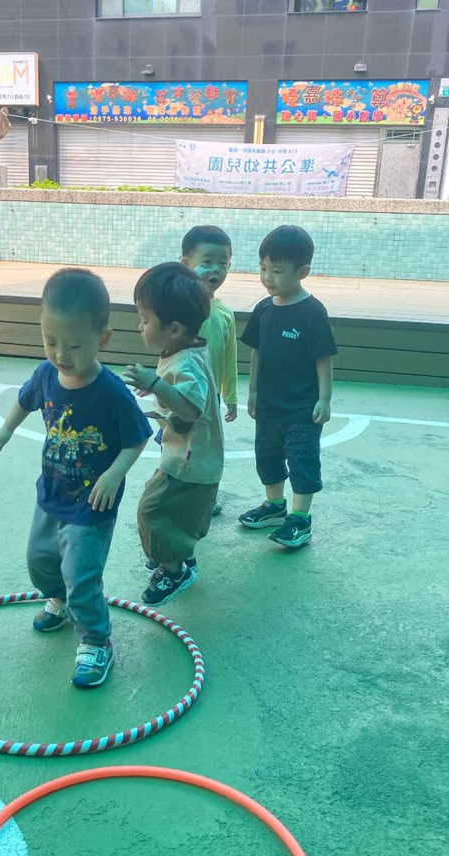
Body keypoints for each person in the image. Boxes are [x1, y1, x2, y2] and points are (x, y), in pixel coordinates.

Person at [0, 268, 152, 688]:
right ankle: (57, 601)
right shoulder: (46, 374)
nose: (61, 354)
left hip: (92, 505)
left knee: (81, 575)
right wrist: (5, 429)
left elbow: (137, 438)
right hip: (52, 494)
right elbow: (24, 401)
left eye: (74, 345)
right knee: (40, 561)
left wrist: (114, 474)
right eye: (51, 341)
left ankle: (96, 641)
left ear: (103, 338)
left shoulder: (111, 392)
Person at [123, 262, 224, 606]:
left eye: (145, 320)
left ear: (174, 328)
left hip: (190, 463)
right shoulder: (183, 349)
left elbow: (191, 408)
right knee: (171, 511)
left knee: (153, 510)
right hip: (185, 456)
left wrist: (156, 384)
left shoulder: (186, 362)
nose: (140, 326)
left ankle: (174, 569)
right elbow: (180, 392)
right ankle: (177, 554)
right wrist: (159, 390)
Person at [239, 225, 337, 548]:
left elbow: (323, 358)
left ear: (302, 272)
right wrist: (252, 391)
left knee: (301, 459)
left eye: (277, 271)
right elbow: (257, 352)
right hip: (269, 405)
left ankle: (300, 518)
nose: (267, 277)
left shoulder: (312, 312)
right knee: (266, 456)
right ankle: (274, 505)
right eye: (263, 268)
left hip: (302, 408)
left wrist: (324, 398)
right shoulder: (264, 308)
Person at [181, 224, 238, 515]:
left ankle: (205, 497)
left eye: (222, 263)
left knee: (209, 449)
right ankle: (177, 493)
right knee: (178, 446)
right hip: (182, 393)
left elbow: (229, 358)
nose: (215, 269)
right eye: (206, 262)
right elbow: (168, 347)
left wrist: (231, 396)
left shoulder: (225, 313)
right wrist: (158, 382)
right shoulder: (181, 309)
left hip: (210, 399)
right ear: (186, 264)